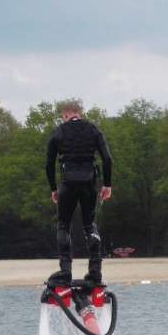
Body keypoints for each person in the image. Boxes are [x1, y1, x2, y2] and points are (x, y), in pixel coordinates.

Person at [45, 99, 112, 285]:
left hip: (68, 182)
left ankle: (65, 270)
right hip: (89, 181)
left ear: (65, 114)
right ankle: (95, 271)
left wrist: (53, 188)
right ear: (79, 113)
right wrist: (107, 184)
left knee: (63, 225)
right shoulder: (93, 129)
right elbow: (107, 158)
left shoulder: (58, 132)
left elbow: (48, 165)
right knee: (90, 224)